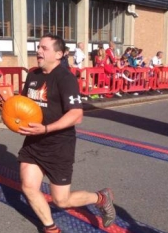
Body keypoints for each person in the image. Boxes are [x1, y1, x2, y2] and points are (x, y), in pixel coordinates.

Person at [17, 33, 116, 233]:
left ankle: (101, 198)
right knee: (28, 186)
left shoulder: (65, 78)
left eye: (44, 48)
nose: (38, 51)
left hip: (59, 145)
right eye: (38, 47)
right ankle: (50, 227)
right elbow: (24, 105)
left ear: (59, 54)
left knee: (61, 201)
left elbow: (76, 115)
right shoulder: (33, 75)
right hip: (33, 143)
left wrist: (46, 128)